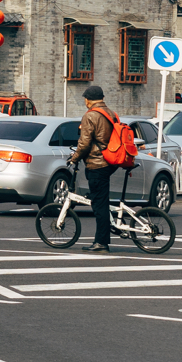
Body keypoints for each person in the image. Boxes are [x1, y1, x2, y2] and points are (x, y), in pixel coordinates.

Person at [68, 84, 119, 253]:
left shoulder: (91, 116)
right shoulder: (111, 113)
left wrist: (74, 158)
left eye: (85, 99)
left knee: (99, 205)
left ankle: (101, 242)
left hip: (97, 163)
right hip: (110, 161)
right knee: (101, 200)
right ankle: (103, 238)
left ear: (88, 100)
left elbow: (84, 143)